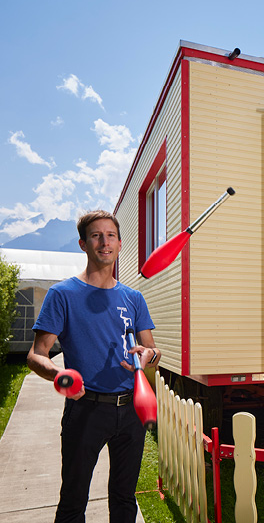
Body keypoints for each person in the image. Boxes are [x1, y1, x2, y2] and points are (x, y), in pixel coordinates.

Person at [27, 210, 160, 523]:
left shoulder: (133, 298)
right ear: (83, 244)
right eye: (96, 235)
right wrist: (59, 375)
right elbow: (37, 354)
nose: (105, 242)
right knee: (74, 501)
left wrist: (145, 359)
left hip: (131, 411)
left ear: (119, 243)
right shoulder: (62, 294)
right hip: (85, 409)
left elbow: (152, 351)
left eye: (111, 235)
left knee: (125, 500)